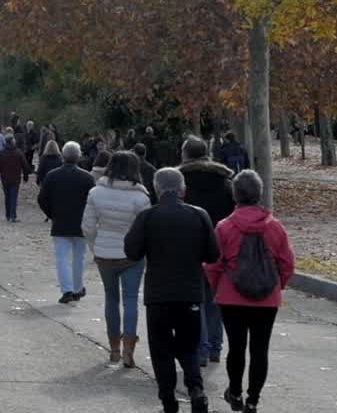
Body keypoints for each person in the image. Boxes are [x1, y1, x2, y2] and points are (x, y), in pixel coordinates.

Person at [125, 167, 220, 413]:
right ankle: (196, 389)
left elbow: (131, 251)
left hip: (158, 295)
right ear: (183, 190)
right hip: (190, 292)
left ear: (156, 190)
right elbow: (213, 255)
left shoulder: (147, 217)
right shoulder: (199, 215)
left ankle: (168, 399)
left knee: (161, 349)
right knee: (189, 345)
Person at [203, 170, 294, 413]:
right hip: (267, 298)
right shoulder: (275, 227)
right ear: (259, 193)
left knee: (236, 347)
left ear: (235, 194)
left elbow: (212, 264)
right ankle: (253, 399)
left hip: (232, 297)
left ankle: (234, 392)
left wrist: (218, 287)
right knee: (260, 350)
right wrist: (277, 285)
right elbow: (287, 263)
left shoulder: (224, 227)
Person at [81, 150, 151, 367]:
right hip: (131, 255)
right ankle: (129, 348)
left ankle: (114, 348)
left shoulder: (96, 193)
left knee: (111, 298)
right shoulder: (141, 197)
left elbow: (88, 226)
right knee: (131, 299)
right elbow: (145, 230)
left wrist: (95, 246)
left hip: (105, 252)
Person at [180, 135, 235, 366]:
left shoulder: (180, 181)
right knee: (215, 299)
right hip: (220, 246)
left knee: (195, 300)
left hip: (189, 247)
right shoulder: (225, 183)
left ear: (185, 154)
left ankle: (201, 347)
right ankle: (215, 346)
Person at [37, 141, 95, 304]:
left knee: (61, 257)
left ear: (63, 155)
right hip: (80, 222)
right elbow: (92, 201)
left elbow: (42, 199)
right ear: (79, 157)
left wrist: (52, 214)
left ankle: (67, 289)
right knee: (79, 257)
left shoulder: (53, 175)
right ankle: (77, 288)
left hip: (60, 221)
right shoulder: (87, 177)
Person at [0, 136, 32, 222]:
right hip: (15, 178)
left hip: (5, 178)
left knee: (7, 197)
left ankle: (8, 215)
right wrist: (26, 175)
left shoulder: (1, 153)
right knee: (13, 197)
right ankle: (13, 215)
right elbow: (25, 165)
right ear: (12, 142)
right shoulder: (18, 152)